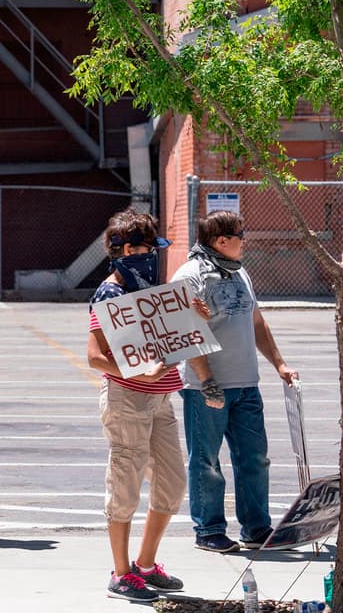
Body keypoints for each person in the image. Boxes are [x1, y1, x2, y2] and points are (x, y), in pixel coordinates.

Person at [172, 210, 299, 553]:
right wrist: (207, 381)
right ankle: (209, 530)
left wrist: (279, 363)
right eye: (240, 236)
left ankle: (256, 529)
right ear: (221, 240)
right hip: (206, 387)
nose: (245, 241)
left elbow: (256, 322)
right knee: (207, 462)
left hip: (246, 385)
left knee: (254, 459)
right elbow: (185, 332)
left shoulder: (240, 272)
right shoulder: (190, 276)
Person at [86, 208, 187, 602]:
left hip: (161, 398)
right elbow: (95, 356)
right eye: (148, 249)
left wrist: (194, 320)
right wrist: (138, 375)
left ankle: (145, 564)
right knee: (125, 483)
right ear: (128, 250)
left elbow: (171, 338)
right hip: (127, 399)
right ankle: (121, 573)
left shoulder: (146, 291)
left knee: (172, 484)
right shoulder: (110, 294)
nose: (153, 257)